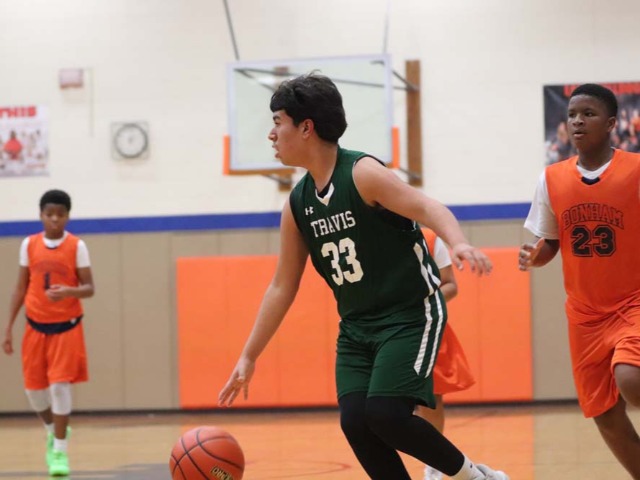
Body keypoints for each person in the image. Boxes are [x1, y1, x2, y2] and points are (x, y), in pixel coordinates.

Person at [218, 73, 509, 480]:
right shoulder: (297, 204)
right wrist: (249, 355)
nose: (271, 134)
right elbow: (282, 285)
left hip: (409, 315)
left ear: (306, 127)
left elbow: (427, 207)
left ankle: (476, 478)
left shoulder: (362, 173)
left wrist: (457, 242)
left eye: (278, 121)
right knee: (356, 421)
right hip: (357, 328)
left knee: (386, 413)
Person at [520, 83, 640, 479]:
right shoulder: (551, 178)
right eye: (572, 114)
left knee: (631, 378)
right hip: (585, 315)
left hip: (633, 302)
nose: (577, 121)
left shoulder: (636, 169)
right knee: (605, 414)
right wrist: (535, 255)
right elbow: (551, 242)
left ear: (611, 123)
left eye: (588, 114)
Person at [2, 189, 95, 477]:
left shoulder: (77, 246)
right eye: (49, 214)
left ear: (68, 216)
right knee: (34, 391)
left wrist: (69, 291)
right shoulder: (29, 244)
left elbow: (89, 288)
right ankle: (53, 430)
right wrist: (8, 327)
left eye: (60, 214)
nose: (55, 219)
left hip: (66, 327)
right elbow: (20, 287)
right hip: (35, 326)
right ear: (41, 215)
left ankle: (60, 452)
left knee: (59, 386)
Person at [417, 229, 476, 480]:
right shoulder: (367, 236)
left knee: (430, 398)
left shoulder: (429, 239)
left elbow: (451, 285)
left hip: (425, 326)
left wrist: (419, 305)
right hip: (382, 328)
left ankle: (433, 464)